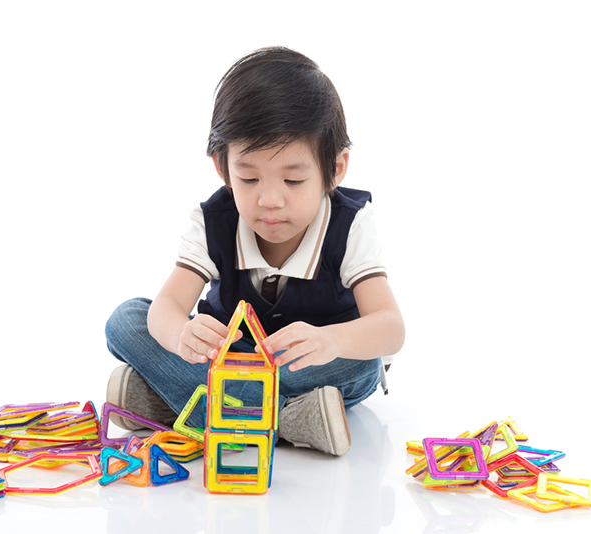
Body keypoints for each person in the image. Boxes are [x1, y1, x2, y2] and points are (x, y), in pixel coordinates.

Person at [105, 47, 405, 456]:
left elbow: (390, 327)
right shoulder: (214, 221)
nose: (269, 200)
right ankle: (285, 419)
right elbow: (168, 305)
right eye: (248, 178)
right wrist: (181, 336)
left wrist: (330, 341)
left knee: (363, 364)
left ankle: (181, 404)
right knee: (127, 319)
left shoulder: (349, 224)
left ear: (335, 169)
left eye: (293, 181)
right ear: (222, 168)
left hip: (308, 367)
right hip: (230, 359)